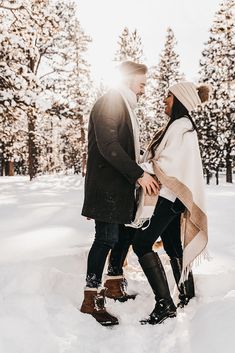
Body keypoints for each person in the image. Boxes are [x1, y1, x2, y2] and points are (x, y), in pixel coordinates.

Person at [80, 61, 159, 326]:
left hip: (120, 187)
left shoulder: (124, 105)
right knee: (105, 238)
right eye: (142, 83)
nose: (144, 89)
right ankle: (91, 298)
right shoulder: (111, 102)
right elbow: (108, 145)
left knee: (124, 234)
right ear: (127, 79)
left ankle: (113, 284)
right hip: (106, 188)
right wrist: (138, 174)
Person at [131, 81, 209, 325]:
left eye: (168, 96)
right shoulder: (179, 126)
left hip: (169, 196)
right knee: (173, 245)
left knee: (141, 243)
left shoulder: (182, 127)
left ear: (179, 99)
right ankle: (187, 294)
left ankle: (165, 305)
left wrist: (140, 169)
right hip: (174, 198)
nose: (164, 100)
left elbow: (169, 164)